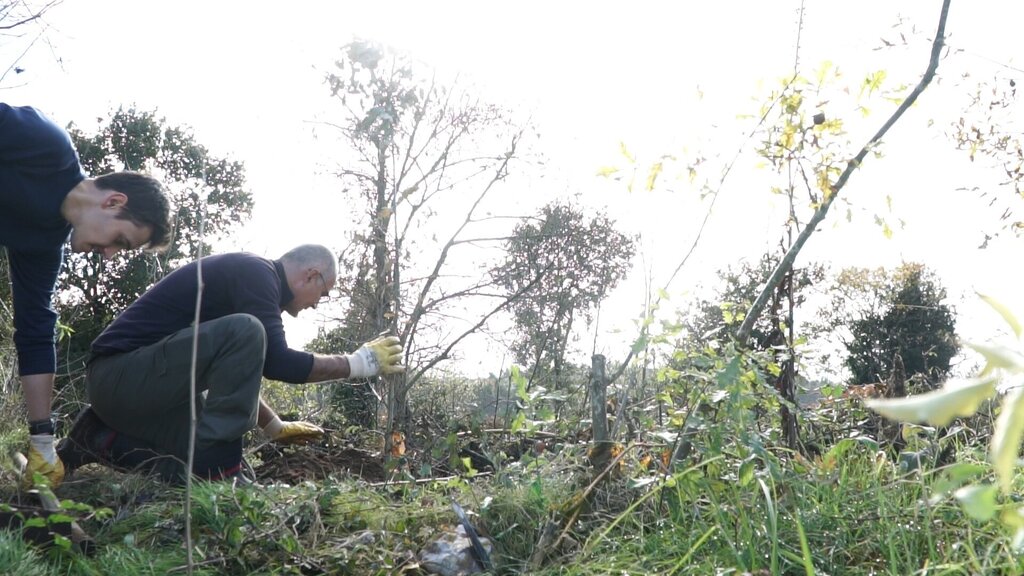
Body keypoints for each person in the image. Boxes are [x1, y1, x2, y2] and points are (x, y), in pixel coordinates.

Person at [58, 244, 404, 484]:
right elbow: (278, 362)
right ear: (311, 275)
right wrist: (358, 363)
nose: (317, 304)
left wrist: (274, 426)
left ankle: (100, 439)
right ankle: (219, 464)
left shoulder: (254, 283)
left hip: (139, 391)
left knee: (203, 477)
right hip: (119, 375)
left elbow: (241, 367)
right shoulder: (257, 274)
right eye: (323, 294)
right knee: (247, 333)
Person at [1, 103, 172, 489]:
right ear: (113, 202)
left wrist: (42, 441)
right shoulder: (45, 145)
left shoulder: (45, 244)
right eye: (120, 241)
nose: (109, 255)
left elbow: (35, 332)